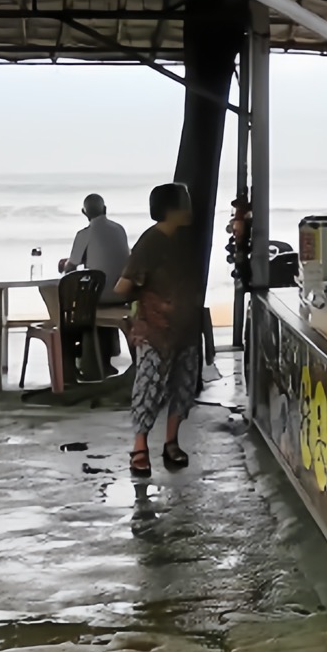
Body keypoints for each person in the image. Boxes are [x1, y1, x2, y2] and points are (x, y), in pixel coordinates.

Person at [115, 183, 203, 480]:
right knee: (149, 385)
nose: (189, 209)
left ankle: (171, 442)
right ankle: (140, 447)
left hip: (186, 327)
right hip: (155, 329)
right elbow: (123, 287)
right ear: (171, 209)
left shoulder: (185, 240)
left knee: (183, 385)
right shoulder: (150, 242)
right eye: (185, 203)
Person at [61, 194, 130, 285]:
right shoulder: (120, 229)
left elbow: (70, 268)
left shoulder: (84, 234)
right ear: (105, 209)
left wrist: (65, 264)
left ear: (84, 212)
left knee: (49, 290)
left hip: (98, 294)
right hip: (123, 291)